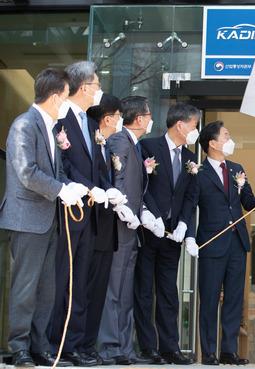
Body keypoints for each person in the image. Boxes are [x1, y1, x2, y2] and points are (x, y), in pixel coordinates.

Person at [0, 68, 89, 367]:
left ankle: (40, 347)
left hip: (49, 218)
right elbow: (26, 173)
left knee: (46, 288)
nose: (67, 102)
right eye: (65, 96)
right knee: (26, 286)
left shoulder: (50, 128)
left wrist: (70, 186)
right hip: (26, 218)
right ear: (54, 97)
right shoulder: (24, 125)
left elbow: (56, 171)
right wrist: (60, 189)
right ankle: (19, 347)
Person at [185, 121, 255, 365]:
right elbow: (189, 208)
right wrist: (189, 235)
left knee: (233, 299)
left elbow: (249, 202)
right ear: (212, 142)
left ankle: (228, 351)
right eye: (226, 135)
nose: (230, 140)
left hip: (237, 244)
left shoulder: (236, 169)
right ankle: (209, 351)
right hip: (211, 243)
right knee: (209, 298)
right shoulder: (198, 172)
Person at [49, 61, 115, 367]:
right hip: (68, 210)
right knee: (64, 278)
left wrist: (106, 188)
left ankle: (74, 344)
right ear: (85, 86)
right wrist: (90, 188)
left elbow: (97, 165)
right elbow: (66, 164)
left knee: (81, 280)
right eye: (97, 84)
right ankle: (56, 343)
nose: (99, 90)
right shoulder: (61, 118)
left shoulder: (89, 124)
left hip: (89, 214)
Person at [133, 102, 201, 365]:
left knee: (168, 292)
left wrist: (184, 224)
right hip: (149, 230)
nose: (195, 130)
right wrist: (152, 214)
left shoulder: (190, 159)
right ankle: (147, 347)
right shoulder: (149, 147)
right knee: (144, 291)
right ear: (180, 125)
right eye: (194, 125)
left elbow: (190, 196)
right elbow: (142, 183)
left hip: (173, 234)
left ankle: (170, 347)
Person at [98, 96, 158, 365]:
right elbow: (117, 177)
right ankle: (111, 347)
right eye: (148, 114)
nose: (150, 119)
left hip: (130, 226)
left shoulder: (134, 146)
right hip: (119, 224)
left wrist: (143, 212)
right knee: (115, 287)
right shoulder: (120, 141)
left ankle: (124, 346)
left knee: (124, 288)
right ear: (139, 119)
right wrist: (124, 207)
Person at [81, 94, 127, 365]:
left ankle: (89, 345)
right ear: (108, 119)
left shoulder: (106, 146)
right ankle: (77, 344)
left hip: (106, 229)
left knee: (98, 292)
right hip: (90, 226)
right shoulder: (92, 142)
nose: (120, 121)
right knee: (84, 290)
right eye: (119, 116)